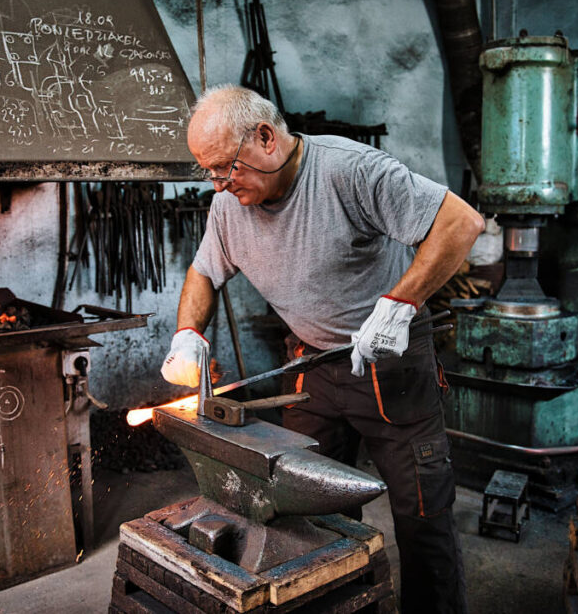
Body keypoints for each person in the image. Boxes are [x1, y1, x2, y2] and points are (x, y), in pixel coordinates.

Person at [161, 85, 484, 613]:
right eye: (210, 172)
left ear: (266, 137)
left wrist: (399, 304)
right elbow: (203, 271)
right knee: (303, 513)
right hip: (311, 367)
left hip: (388, 363)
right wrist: (188, 333)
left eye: (227, 168)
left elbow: (460, 222)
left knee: (421, 515)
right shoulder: (228, 205)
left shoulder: (349, 170)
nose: (219, 185)